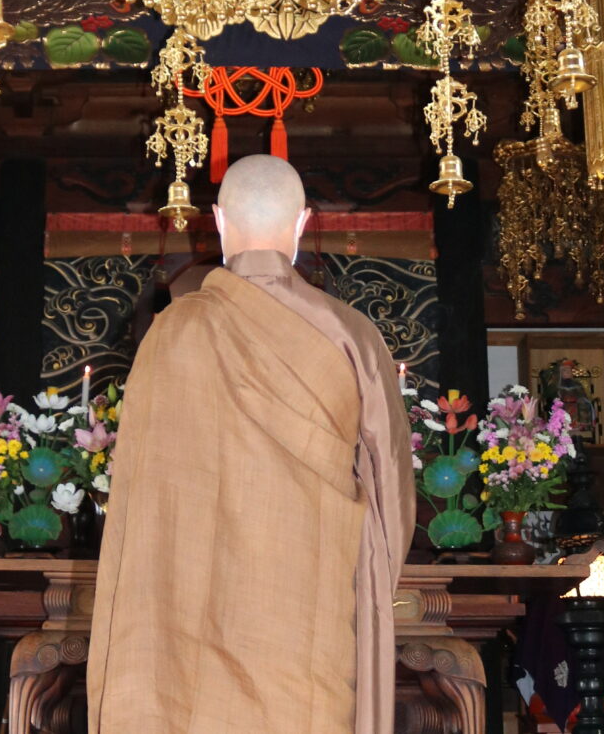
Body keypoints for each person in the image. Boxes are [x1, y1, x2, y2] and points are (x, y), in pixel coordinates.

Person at [87, 155, 415, 734]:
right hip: (308, 606)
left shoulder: (173, 333)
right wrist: (368, 589)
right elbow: (392, 490)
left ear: (216, 220)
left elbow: (137, 493)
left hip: (184, 609)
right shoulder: (351, 335)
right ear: (302, 223)